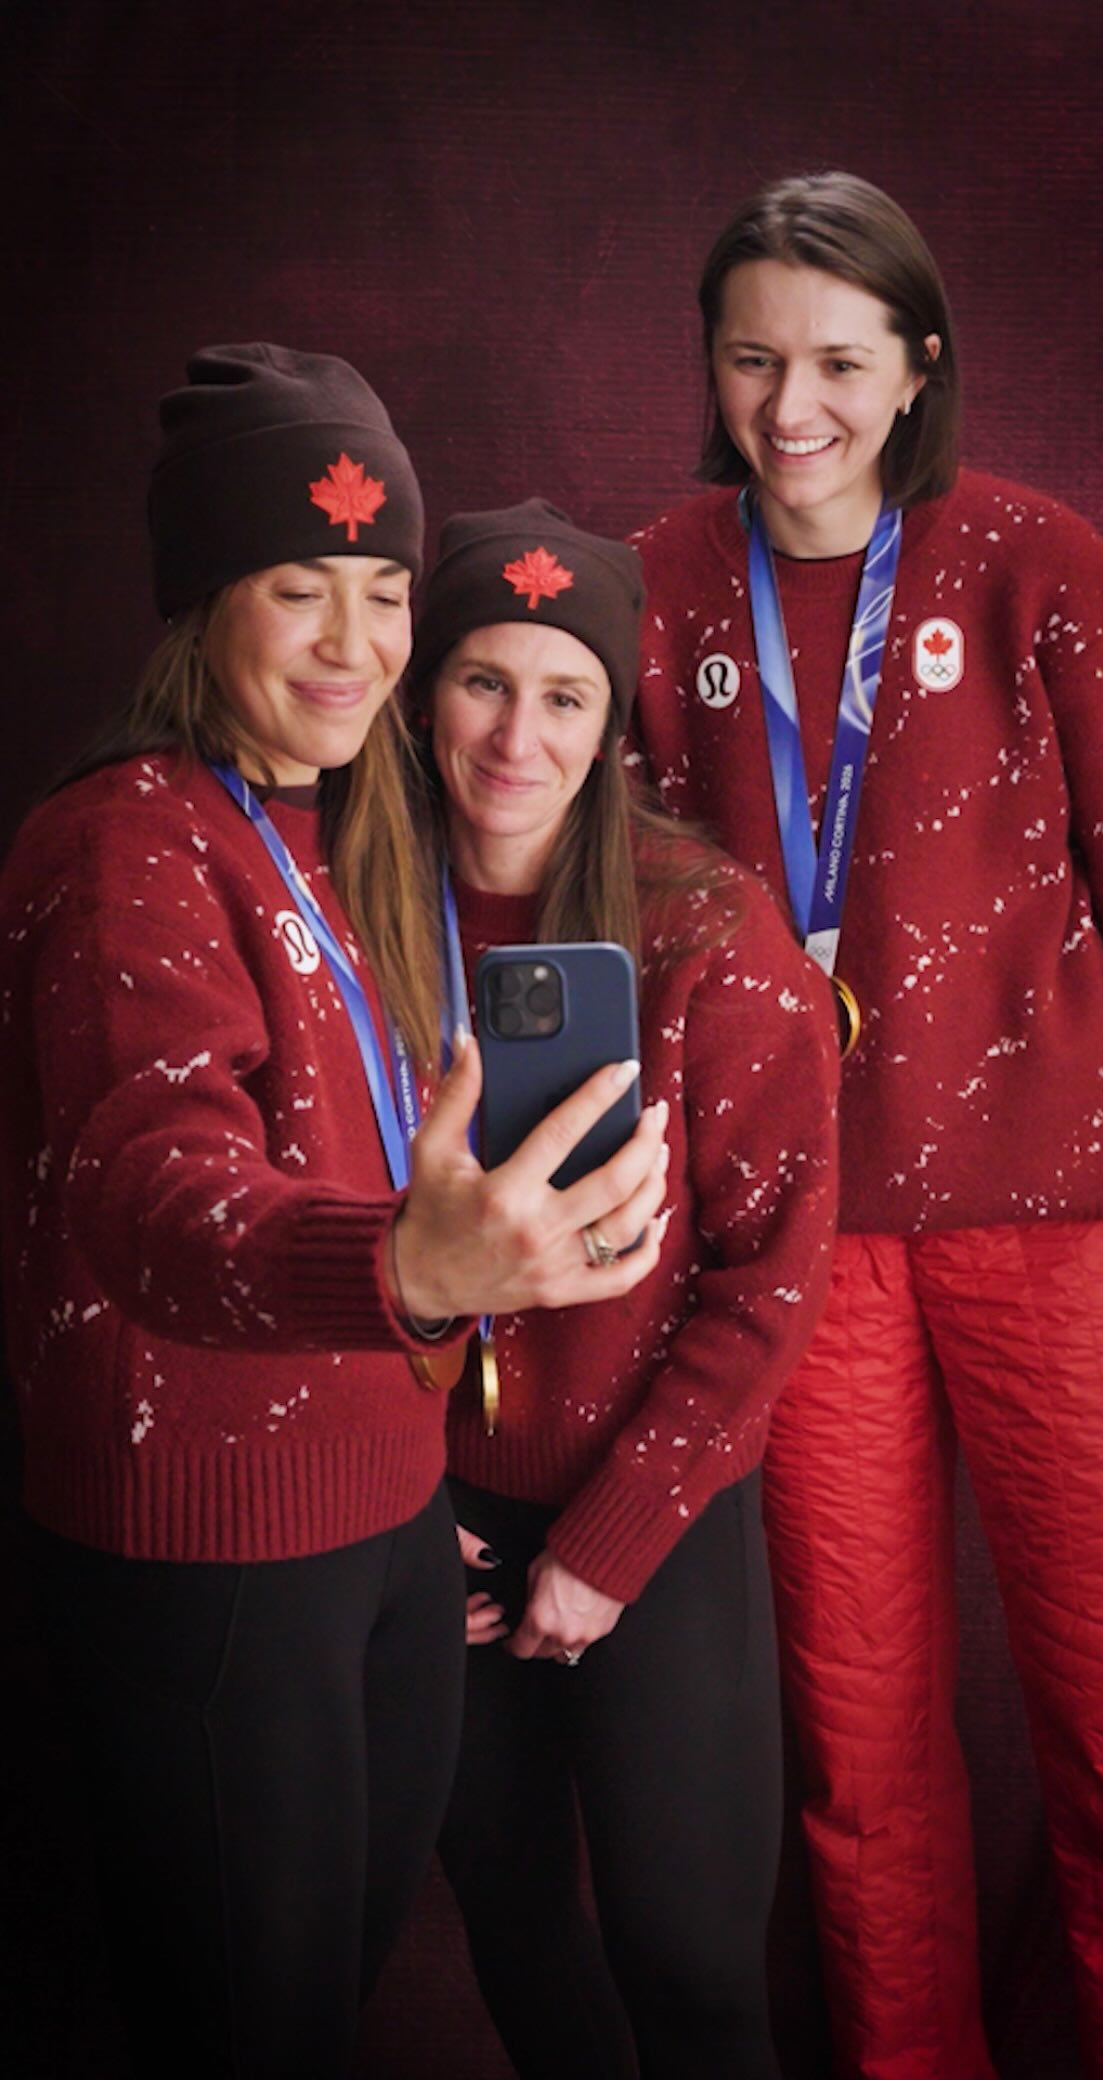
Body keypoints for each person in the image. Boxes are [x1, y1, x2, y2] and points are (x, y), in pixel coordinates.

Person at [0, 345, 670, 2080]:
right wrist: (401, 1267)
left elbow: (371, 1154)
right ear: (199, 604)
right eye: (299, 589)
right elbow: (152, 1188)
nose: (353, 643)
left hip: (368, 1517)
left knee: (327, 2002)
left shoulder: (335, 830)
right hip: (206, 1543)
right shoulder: (121, 842)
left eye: (382, 593)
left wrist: (395, 1470)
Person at [630, 170, 1103, 2080]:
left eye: (840, 360)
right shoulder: (657, 584)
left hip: (1058, 1212)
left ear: (917, 364)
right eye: (754, 356)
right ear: (710, 362)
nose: (795, 406)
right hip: (801, 1228)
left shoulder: (1038, 556)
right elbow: (617, 899)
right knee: (856, 1751)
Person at [401, 497, 839, 2080]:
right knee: (511, 1927)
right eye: (479, 682)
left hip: (649, 1511)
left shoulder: (711, 942)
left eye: (565, 693)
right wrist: (390, 1500)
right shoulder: (349, 920)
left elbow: (766, 1286)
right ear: (419, 693)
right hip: (426, 1524)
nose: (517, 734)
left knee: (691, 1956)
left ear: (611, 719)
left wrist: (606, 1546)